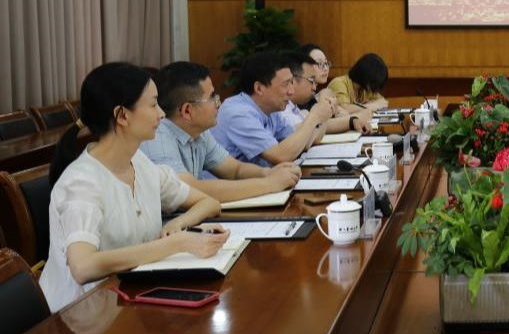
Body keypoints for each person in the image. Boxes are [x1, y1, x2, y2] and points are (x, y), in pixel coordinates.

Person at [39, 63, 227, 312]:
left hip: (130, 298)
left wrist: (178, 226)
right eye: (153, 104)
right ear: (122, 116)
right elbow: (83, 267)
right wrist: (176, 244)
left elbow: (208, 202)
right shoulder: (81, 183)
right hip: (79, 315)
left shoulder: (140, 162)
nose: (161, 114)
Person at [140, 61, 301, 203]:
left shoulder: (200, 132)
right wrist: (269, 184)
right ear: (187, 111)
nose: (219, 103)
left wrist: (268, 173)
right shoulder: (158, 137)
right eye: (212, 97)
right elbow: (190, 189)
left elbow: (234, 170)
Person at [212, 52, 334, 166]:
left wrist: (321, 117)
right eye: (286, 84)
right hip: (233, 182)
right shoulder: (238, 113)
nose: (291, 91)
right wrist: (314, 117)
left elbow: (303, 142)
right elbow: (281, 156)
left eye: (291, 82)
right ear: (259, 88)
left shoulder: (270, 109)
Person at [279, 52, 371, 134]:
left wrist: (351, 121)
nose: (325, 68)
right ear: (292, 79)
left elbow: (317, 128)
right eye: (319, 64)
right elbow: (303, 136)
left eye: (326, 63)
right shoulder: (282, 109)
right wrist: (316, 118)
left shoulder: (294, 106)